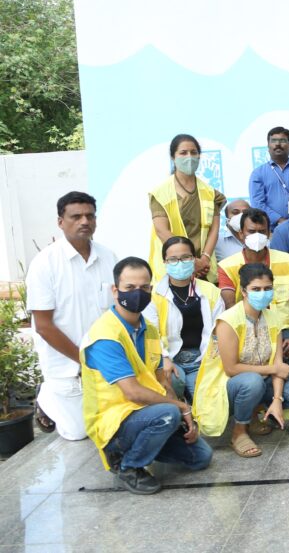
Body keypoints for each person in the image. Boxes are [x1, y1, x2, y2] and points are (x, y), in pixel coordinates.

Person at [80, 257, 212, 495]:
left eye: (143, 287)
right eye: (129, 287)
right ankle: (126, 466)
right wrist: (180, 407)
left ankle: (148, 443)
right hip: (113, 421)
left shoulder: (148, 329)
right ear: (115, 290)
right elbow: (132, 392)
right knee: (168, 414)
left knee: (201, 456)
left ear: (151, 289)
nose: (137, 293)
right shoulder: (105, 335)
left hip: (146, 413)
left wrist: (182, 418)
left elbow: (162, 380)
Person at [192, 263, 289, 458]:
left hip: (261, 378)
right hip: (228, 384)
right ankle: (239, 431)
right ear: (243, 291)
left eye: (267, 288)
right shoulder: (229, 320)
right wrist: (273, 369)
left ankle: (259, 410)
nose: (262, 293)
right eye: (256, 289)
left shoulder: (273, 317)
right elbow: (231, 369)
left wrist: (277, 400)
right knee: (252, 381)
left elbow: (278, 365)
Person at [25, 191, 119, 440]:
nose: (84, 221)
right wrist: (84, 359)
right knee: (78, 433)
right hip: (67, 366)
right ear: (60, 222)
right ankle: (46, 396)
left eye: (90, 216)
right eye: (76, 217)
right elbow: (44, 326)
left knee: (113, 422)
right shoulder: (44, 264)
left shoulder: (108, 257)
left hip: (104, 361)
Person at [217, 208, 289, 377]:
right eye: (251, 231)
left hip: (284, 327)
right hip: (248, 330)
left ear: (269, 233)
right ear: (241, 234)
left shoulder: (287, 260)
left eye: (262, 231)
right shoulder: (227, 266)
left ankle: (282, 380)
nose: (257, 236)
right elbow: (230, 306)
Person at [152, 236, 224, 401]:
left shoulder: (211, 291)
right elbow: (152, 332)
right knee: (173, 380)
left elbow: (218, 332)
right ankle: (179, 407)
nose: (180, 263)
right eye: (173, 259)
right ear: (164, 262)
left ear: (194, 259)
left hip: (201, 358)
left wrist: (211, 363)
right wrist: (164, 358)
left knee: (205, 398)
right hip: (170, 358)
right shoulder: (154, 294)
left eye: (186, 257)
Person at [149, 134, 224, 283]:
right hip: (173, 266)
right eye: (183, 153)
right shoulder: (160, 193)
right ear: (173, 157)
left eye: (193, 152)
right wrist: (189, 260)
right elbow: (161, 230)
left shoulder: (211, 193)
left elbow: (214, 230)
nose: (189, 157)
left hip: (204, 268)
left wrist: (204, 259)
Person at [250, 126, 289, 231]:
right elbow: (257, 204)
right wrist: (279, 220)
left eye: (282, 141)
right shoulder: (258, 173)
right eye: (273, 141)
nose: (278, 144)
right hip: (271, 230)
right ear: (268, 147)